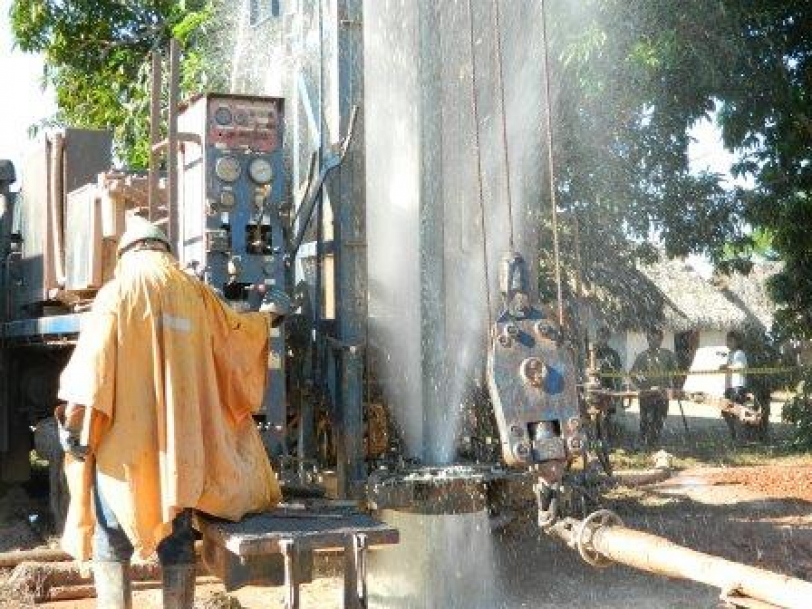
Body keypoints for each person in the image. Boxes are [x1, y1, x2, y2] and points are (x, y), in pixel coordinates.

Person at [55, 216, 287, 609]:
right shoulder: (195, 292)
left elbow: (90, 372)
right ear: (165, 249)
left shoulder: (116, 293)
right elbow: (234, 337)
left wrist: (75, 429)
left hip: (124, 452)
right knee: (177, 537)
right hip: (182, 453)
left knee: (112, 537)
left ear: (127, 253)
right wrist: (266, 320)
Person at [630, 328, 678, 447]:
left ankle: (654, 442)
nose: (654, 342)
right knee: (645, 419)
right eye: (652, 339)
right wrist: (641, 385)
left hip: (662, 393)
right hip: (647, 393)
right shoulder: (642, 356)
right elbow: (633, 374)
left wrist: (675, 387)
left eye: (657, 339)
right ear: (648, 340)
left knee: (659, 418)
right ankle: (642, 442)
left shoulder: (667, 355)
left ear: (661, 340)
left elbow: (676, 372)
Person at [720, 330, 748, 440]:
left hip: (737, 387)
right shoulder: (731, 354)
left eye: (730, 340)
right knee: (725, 411)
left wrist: (727, 367)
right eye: (727, 340)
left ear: (737, 342)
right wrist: (726, 366)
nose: (728, 342)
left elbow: (740, 366)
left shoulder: (739, 353)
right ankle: (734, 434)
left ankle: (739, 437)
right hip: (730, 388)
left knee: (736, 413)